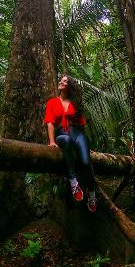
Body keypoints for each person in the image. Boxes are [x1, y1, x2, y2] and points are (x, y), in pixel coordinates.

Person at [43, 75, 97, 212]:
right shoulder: (52, 102)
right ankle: (73, 181)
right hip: (62, 134)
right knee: (66, 140)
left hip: (78, 134)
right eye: (61, 79)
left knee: (85, 163)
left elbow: (82, 125)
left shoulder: (75, 103)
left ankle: (92, 194)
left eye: (65, 81)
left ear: (70, 86)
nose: (61, 81)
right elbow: (50, 123)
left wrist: (83, 145)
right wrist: (51, 142)